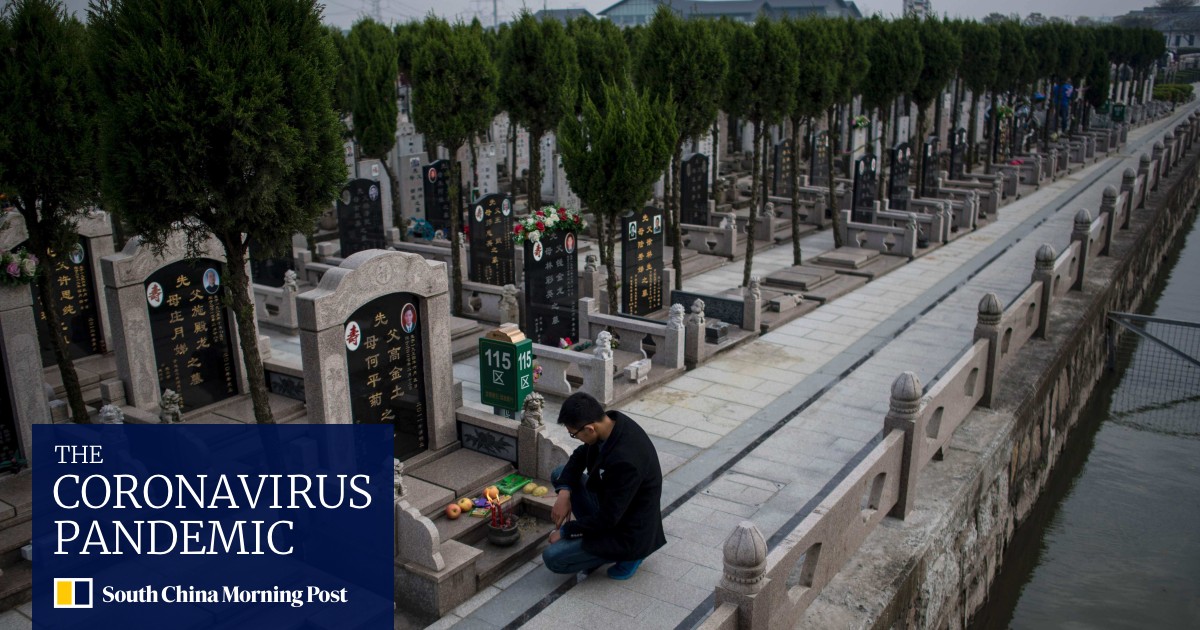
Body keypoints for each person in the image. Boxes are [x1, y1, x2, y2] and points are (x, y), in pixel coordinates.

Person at [542, 392, 666, 580]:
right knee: (561, 475)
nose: (575, 438)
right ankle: (592, 547)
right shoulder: (611, 425)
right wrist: (564, 492)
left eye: (573, 434)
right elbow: (580, 455)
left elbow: (608, 519)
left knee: (553, 558)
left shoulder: (626, 461)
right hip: (612, 505)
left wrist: (566, 531)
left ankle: (630, 555)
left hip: (627, 530)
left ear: (590, 429)